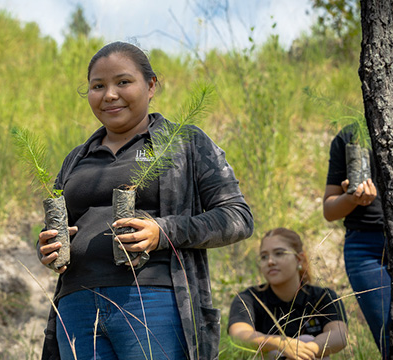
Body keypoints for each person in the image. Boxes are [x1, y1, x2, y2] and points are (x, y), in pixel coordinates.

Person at [37, 41, 254, 360]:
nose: (109, 94)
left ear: (151, 86)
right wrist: (47, 246)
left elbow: (238, 218)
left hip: (152, 300)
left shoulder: (184, 144)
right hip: (76, 305)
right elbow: (56, 228)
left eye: (123, 82)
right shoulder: (75, 159)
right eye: (98, 86)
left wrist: (163, 232)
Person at [323, 125, 391, 359]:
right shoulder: (350, 135)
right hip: (366, 250)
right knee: (389, 340)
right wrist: (351, 198)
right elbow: (329, 209)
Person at [228, 227, 348, 360]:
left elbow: (339, 335)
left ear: (299, 259)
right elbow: (238, 334)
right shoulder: (249, 298)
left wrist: (307, 350)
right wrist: (280, 344)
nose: (270, 262)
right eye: (264, 256)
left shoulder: (323, 296)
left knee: (307, 340)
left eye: (279, 253)